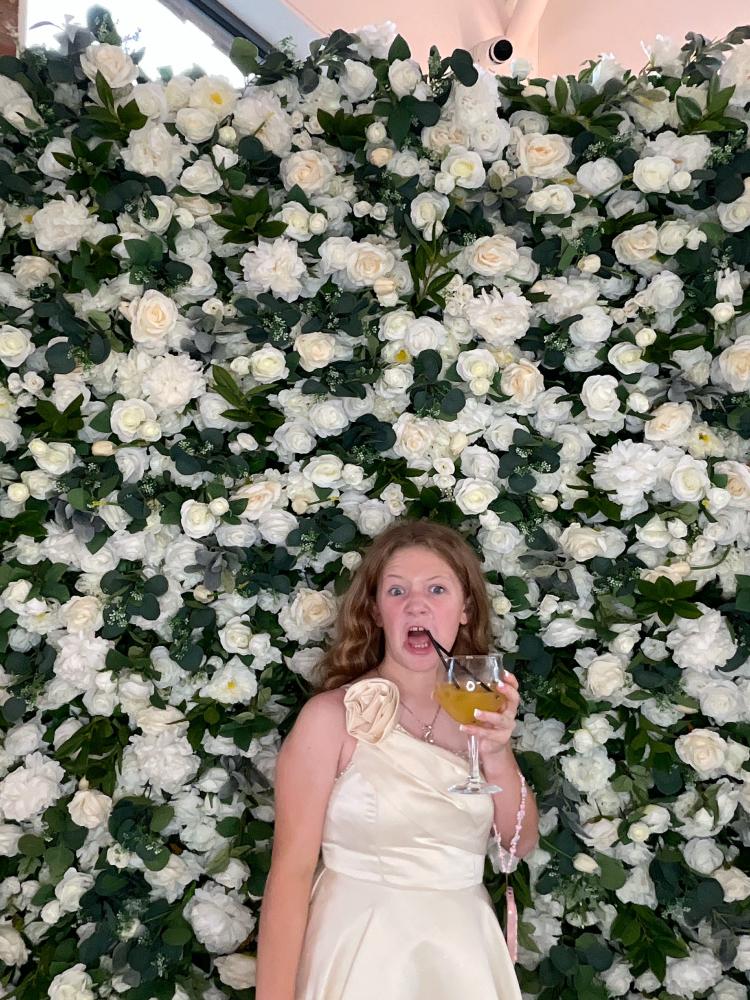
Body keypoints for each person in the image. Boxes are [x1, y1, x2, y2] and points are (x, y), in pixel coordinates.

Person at [255, 520, 539, 1000]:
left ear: (465, 609)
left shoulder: (481, 714)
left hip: (462, 957)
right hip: (358, 954)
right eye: (397, 590)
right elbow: (290, 873)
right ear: (376, 610)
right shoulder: (330, 718)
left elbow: (520, 844)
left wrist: (496, 752)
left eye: (437, 589)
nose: (417, 604)